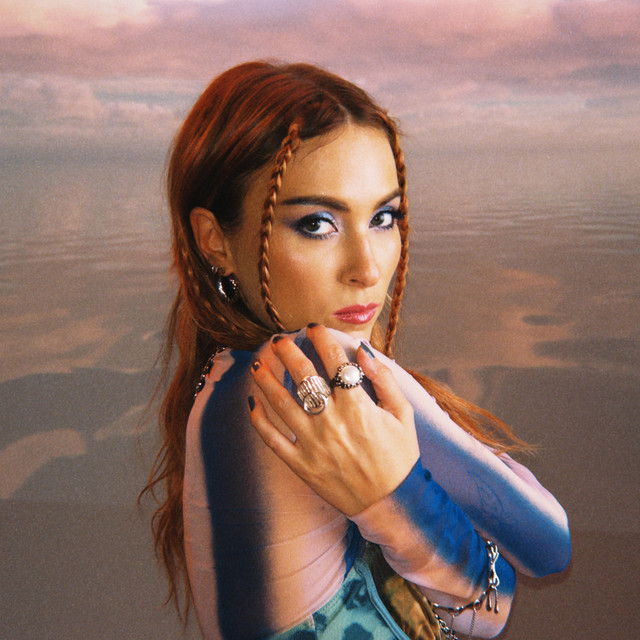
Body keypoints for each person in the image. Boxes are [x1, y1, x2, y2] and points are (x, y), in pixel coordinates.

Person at [143, 61, 571, 640]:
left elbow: (485, 603)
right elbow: (545, 544)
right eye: (317, 224)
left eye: (383, 217)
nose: (367, 268)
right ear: (215, 241)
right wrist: (397, 492)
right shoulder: (312, 372)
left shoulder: (221, 380)